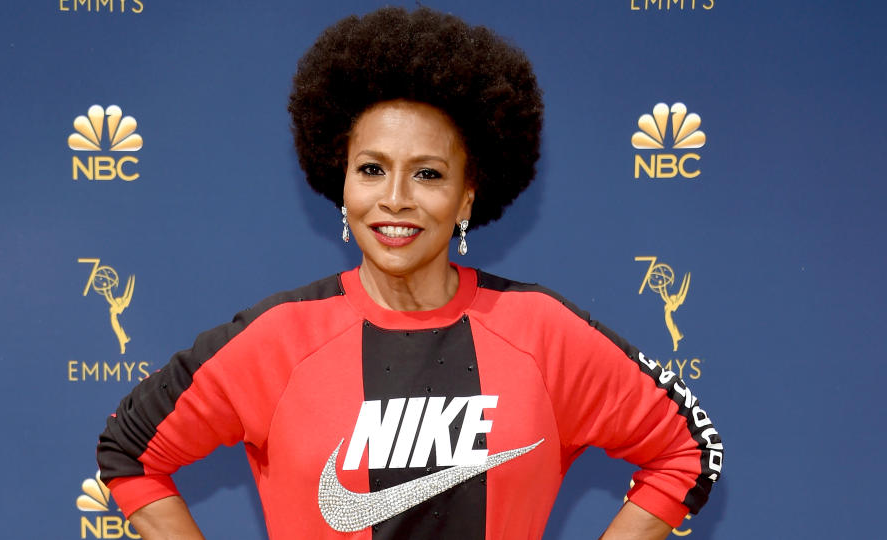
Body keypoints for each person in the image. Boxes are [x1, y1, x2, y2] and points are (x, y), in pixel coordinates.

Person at [96, 7, 723, 539]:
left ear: (468, 196)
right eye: (371, 169)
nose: (394, 198)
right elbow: (129, 452)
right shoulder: (277, 340)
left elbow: (689, 450)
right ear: (339, 182)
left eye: (428, 174)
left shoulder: (541, 334)